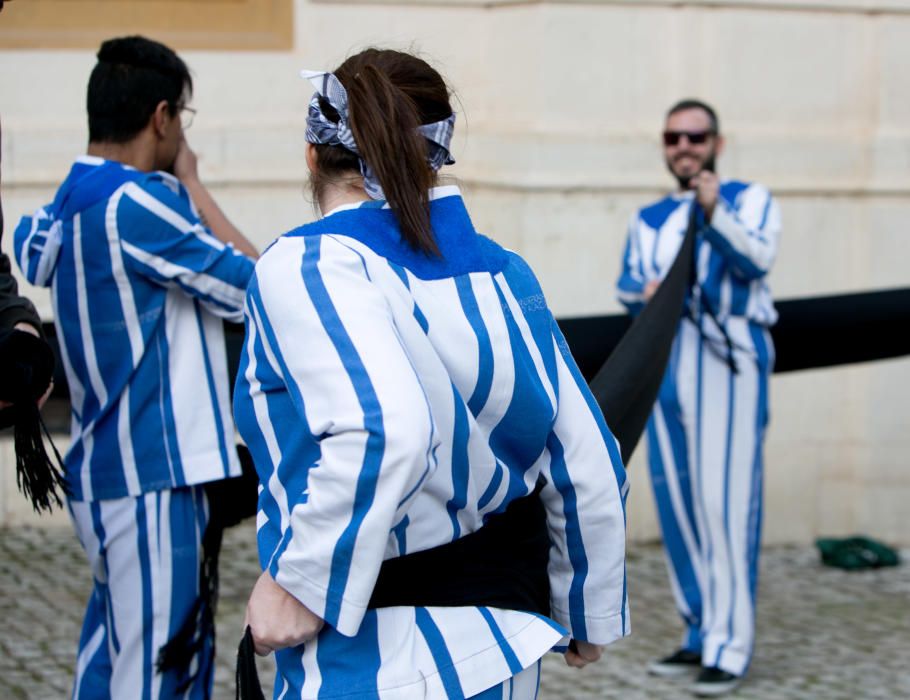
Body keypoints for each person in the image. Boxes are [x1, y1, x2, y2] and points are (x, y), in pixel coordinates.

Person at [234, 48, 629, 699]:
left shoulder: (308, 265)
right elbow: (587, 459)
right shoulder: (504, 272)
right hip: (505, 655)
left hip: (367, 662)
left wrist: (297, 581)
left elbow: (384, 430)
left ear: (313, 154)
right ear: (437, 154)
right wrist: (588, 612)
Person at [13, 36, 257, 698]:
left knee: (111, 655)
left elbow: (25, 246)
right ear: (161, 118)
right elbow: (257, 287)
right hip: (155, 473)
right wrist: (196, 186)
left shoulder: (69, 201)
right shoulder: (141, 204)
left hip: (103, 470)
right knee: (157, 671)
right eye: (184, 116)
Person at [617, 99, 779, 696]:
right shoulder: (649, 216)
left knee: (725, 504)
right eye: (673, 137)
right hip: (667, 364)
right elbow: (628, 285)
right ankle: (698, 633)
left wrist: (715, 214)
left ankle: (730, 646)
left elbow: (758, 259)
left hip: (727, 364)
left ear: (716, 141)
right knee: (680, 505)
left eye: (695, 136)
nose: (684, 146)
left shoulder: (749, 199)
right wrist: (648, 293)